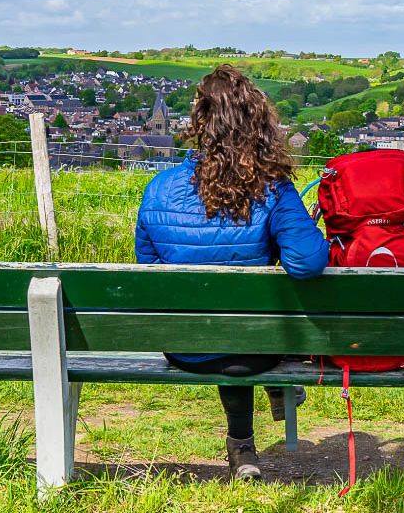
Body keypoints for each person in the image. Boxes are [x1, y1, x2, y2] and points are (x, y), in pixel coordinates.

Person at [135, 65, 329, 481]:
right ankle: (274, 394)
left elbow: (148, 271)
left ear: (199, 123)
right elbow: (308, 263)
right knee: (247, 329)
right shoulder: (273, 187)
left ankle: (243, 446)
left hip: (184, 345)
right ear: (257, 123)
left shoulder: (158, 188)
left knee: (229, 327)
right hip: (257, 346)